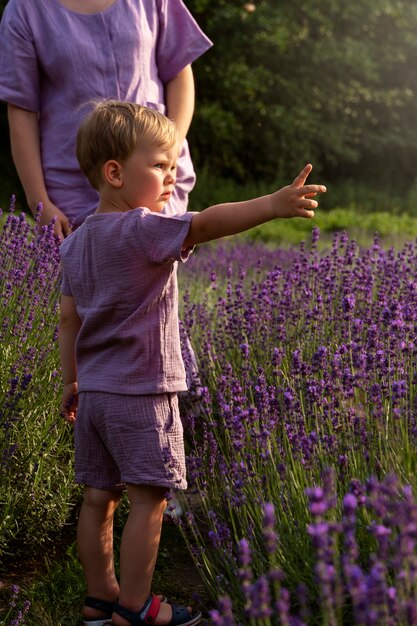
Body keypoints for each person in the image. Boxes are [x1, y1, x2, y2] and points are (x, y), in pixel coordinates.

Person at [58, 100, 326, 626]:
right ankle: (135, 607)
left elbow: (69, 321)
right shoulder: (142, 228)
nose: (171, 175)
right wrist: (271, 204)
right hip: (142, 392)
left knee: (97, 498)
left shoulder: (75, 243)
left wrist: (71, 380)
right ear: (115, 172)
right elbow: (205, 224)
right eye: (159, 165)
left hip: (92, 394)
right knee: (150, 498)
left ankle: (98, 599)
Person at [0, 0, 212, 239]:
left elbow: (179, 73)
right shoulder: (25, 9)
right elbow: (21, 109)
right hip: (72, 183)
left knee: (157, 273)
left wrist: (168, 156)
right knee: (82, 273)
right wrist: (38, 200)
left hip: (153, 176)